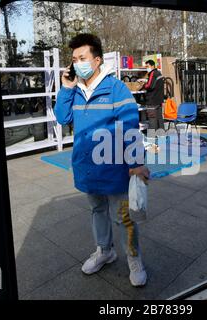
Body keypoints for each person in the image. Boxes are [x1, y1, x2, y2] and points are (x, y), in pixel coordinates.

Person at [54, 34, 150, 287]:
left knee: (122, 217)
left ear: (97, 60)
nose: (77, 64)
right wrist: (65, 88)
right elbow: (62, 118)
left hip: (115, 167)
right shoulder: (73, 91)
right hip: (87, 167)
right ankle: (105, 251)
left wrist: (136, 163)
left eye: (82, 58)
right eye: (74, 59)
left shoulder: (116, 88)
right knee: (97, 210)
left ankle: (134, 259)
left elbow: (129, 128)